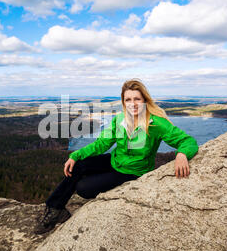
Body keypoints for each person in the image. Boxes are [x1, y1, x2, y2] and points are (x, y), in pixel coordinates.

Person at [35, 78, 199, 234]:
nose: (133, 104)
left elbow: (188, 141)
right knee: (77, 165)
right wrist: (75, 155)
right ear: (123, 102)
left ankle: (61, 207)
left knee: (83, 188)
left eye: (137, 99)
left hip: (132, 171)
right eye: (128, 100)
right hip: (114, 161)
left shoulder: (156, 123)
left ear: (145, 100)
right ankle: (55, 210)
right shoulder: (119, 119)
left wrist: (182, 154)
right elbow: (101, 144)